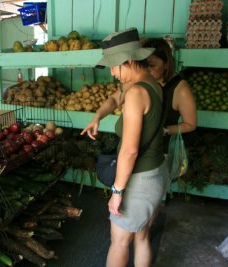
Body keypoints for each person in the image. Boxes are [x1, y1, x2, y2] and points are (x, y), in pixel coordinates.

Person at [81, 28, 167, 267]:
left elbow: (129, 150)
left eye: (114, 66)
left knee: (119, 242)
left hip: (138, 180)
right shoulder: (150, 83)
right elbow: (113, 99)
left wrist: (117, 192)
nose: (111, 72)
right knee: (141, 238)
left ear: (129, 61)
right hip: (156, 172)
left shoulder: (136, 92)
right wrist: (98, 115)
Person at [142, 38, 197, 141]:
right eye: (143, 64)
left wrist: (165, 131)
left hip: (164, 150)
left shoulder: (180, 89)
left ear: (167, 64)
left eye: (152, 65)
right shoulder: (143, 81)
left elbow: (190, 124)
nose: (146, 69)